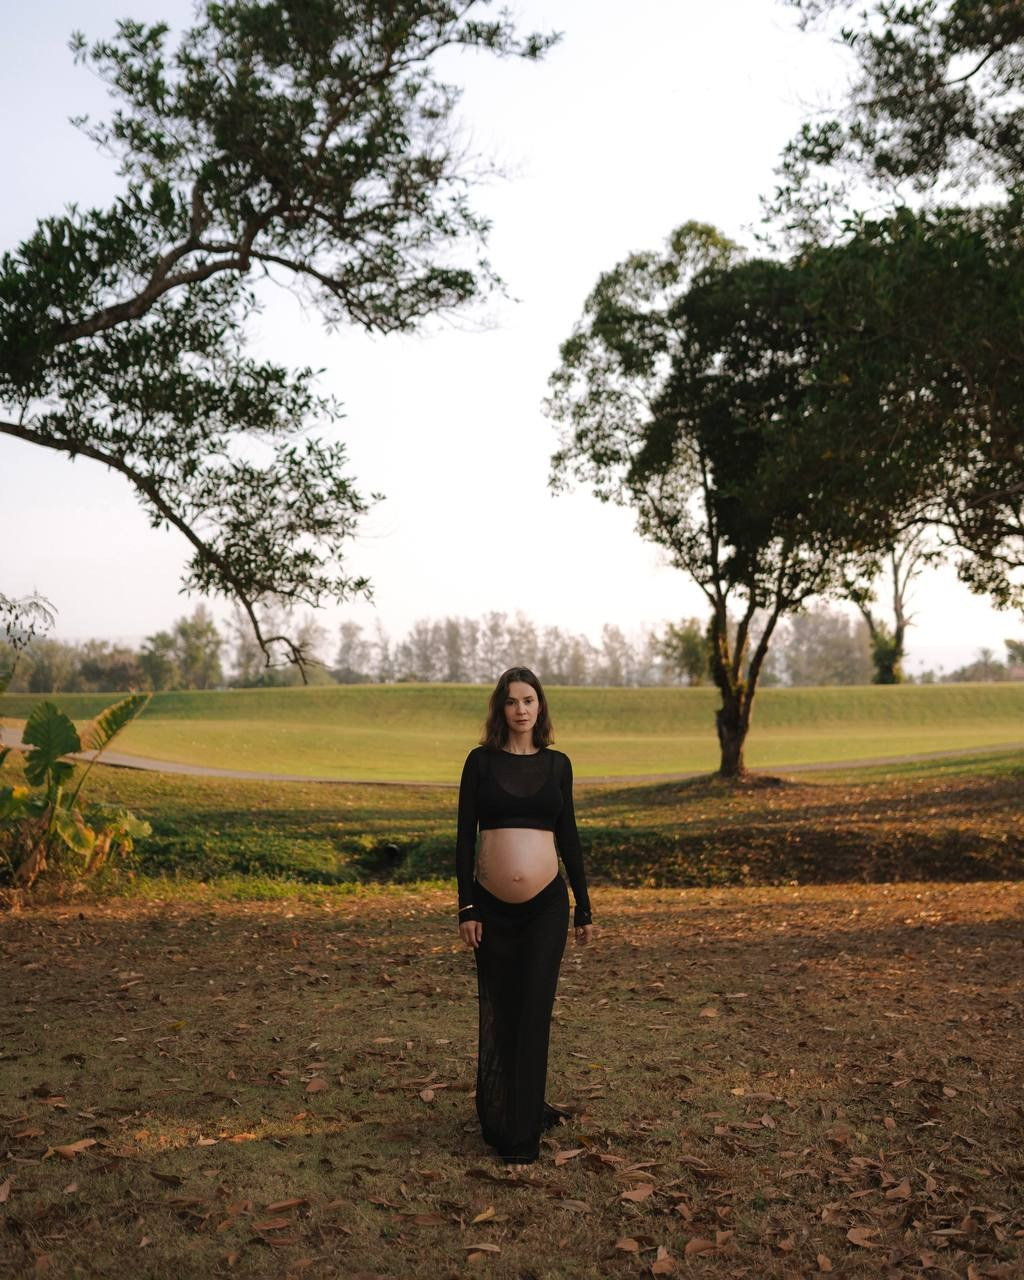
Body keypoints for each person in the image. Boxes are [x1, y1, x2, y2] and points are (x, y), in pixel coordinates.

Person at [456, 666, 594, 1169]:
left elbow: (569, 836)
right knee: (501, 1011)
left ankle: (521, 1136)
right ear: (501, 708)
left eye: (529, 700)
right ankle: (502, 1113)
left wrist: (584, 906)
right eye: (512, 701)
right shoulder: (480, 762)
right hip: (490, 909)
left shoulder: (558, 765)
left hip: (545, 909)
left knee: (533, 1012)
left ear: (540, 706)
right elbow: (464, 836)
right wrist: (466, 906)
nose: (521, 709)